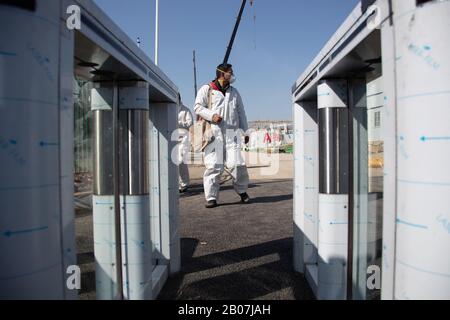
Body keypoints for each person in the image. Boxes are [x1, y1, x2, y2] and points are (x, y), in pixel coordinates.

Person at [194, 63, 250, 208]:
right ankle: (211, 197)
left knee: (237, 164)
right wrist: (212, 115)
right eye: (230, 72)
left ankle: (242, 191)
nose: (232, 75)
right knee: (213, 166)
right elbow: (198, 107)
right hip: (213, 133)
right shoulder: (207, 89)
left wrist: (245, 131)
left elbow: (241, 112)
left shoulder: (234, 92)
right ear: (221, 73)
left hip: (233, 133)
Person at [178, 95, 193, 193]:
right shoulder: (170, 108)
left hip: (183, 139)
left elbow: (190, 123)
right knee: (174, 163)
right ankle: (178, 183)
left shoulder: (185, 110)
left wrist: (178, 123)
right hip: (172, 139)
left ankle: (184, 183)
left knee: (181, 162)